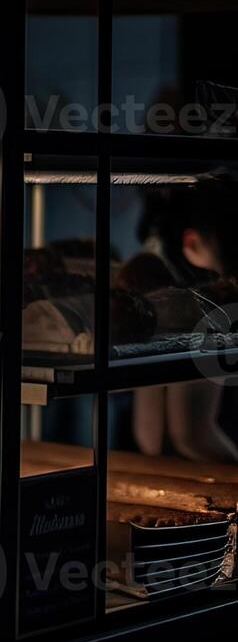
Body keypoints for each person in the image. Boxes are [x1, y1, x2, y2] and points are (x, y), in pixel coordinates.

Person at [121, 180, 238, 461]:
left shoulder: (207, 188)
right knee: (154, 436)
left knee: (190, 434)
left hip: (203, 307)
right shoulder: (162, 194)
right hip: (165, 309)